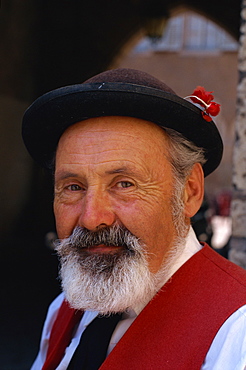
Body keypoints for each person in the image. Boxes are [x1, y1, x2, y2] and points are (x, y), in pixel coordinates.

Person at [22, 68, 246, 370]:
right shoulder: (63, 311)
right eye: (73, 187)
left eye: (124, 184)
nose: (91, 219)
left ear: (189, 192)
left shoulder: (237, 332)